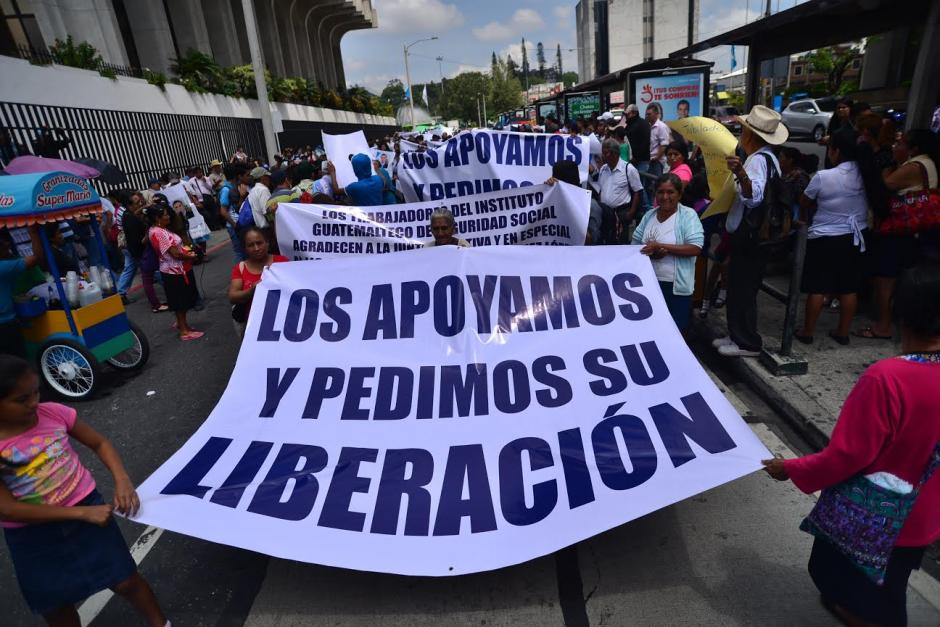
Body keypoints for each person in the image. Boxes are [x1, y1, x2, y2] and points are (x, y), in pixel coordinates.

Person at [762, 263, 940, 627]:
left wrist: (791, 469)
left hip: (876, 520)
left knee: (870, 601)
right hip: (922, 518)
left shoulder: (888, 378)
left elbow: (849, 455)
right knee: (890, 586)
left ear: (900, 313)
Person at [0, 356, 168, 626]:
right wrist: (81, 513)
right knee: (56, 605)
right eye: (21, 400)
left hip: (89, 511)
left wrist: (122, 480)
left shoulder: (53, 412)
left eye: (36, 392)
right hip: (33, 536)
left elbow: (100, 442)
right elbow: (8, 508)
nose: (34, 403)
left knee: (125, 581)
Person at [795, 128, 884, 344]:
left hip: (825, 236)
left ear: (836, 151)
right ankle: (842, 333)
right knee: (848, 287)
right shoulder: (867, 174)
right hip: (855, 236)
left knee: (817, 286)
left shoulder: (824, 177)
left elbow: (804, 201)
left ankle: (808, 332)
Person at [716, 105, 788, 357]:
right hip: (754, 236)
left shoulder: (757, 160)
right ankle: (737, 334)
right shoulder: (768, 158)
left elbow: (753, 197)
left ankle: (746, 341)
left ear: (750, 134)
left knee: (743, 288)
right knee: (740, 286)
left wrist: (740, 173)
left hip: (750, 236)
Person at [857, 129, 940, 340]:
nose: (896, 147)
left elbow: (884, 186)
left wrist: (885, 169)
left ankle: (883, 326)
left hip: (899, 231)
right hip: (914, 232)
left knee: (885, 280)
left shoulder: (913, 166)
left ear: (914, 149)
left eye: (901, 144)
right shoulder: (928, 163)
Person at [632, 173, 704, 331]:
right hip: (647, 286)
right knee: (650, 331)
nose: (665, 197)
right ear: (655, 194)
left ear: (679, 194)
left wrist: (662, 247)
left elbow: (695, 247)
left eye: (670, 192)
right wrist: (650, 254)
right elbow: (634, 246)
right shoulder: (649, 215)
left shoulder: (688, 216)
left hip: (675, 289)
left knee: (674, 332)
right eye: (660, 192)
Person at [146, 204, 202, 341]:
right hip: (174, 271)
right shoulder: (159, 233)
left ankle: (184, 325)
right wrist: (191, 256)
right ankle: (184, 331)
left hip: (178, 269)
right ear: (157, 218)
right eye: (165, 214)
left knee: (182, 300)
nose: (168, 216)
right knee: (179, 302)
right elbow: (175, 254)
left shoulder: (160, 229)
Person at [227, 227, 288, 339]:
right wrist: (252, 290)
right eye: (251, 245)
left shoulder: (283, 262)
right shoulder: (240, 268)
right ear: (245, 248)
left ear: (267, 243)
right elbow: (232, 296)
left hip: (283, 323)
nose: (256, 248)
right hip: (253, 327)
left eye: (259, 243)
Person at [0, 227, 42, 357]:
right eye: (3, 243)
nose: (8, 245)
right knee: (18, 364)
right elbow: (37, 258)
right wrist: (34, 233)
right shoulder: (4, 267)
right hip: (6, 325)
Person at [596, 138, 643, 244]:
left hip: (621, 213)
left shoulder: (628, 169)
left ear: (614, 154)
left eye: (605, 153)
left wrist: (631, 213)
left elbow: (638, 191)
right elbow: (600, 189)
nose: (602, 156)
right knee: (606, 240)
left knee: (620, 242)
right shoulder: (603, 169)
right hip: (605, 213)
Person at [646, 102, 670, 175]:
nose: (647, 116)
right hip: (649, 160)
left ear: (656, 114)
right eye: (647, 114)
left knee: (656, 182)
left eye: (649, 114)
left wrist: (656, 158)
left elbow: (664, 145)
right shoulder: (648, 126)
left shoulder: (661, 126)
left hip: (657, 162)